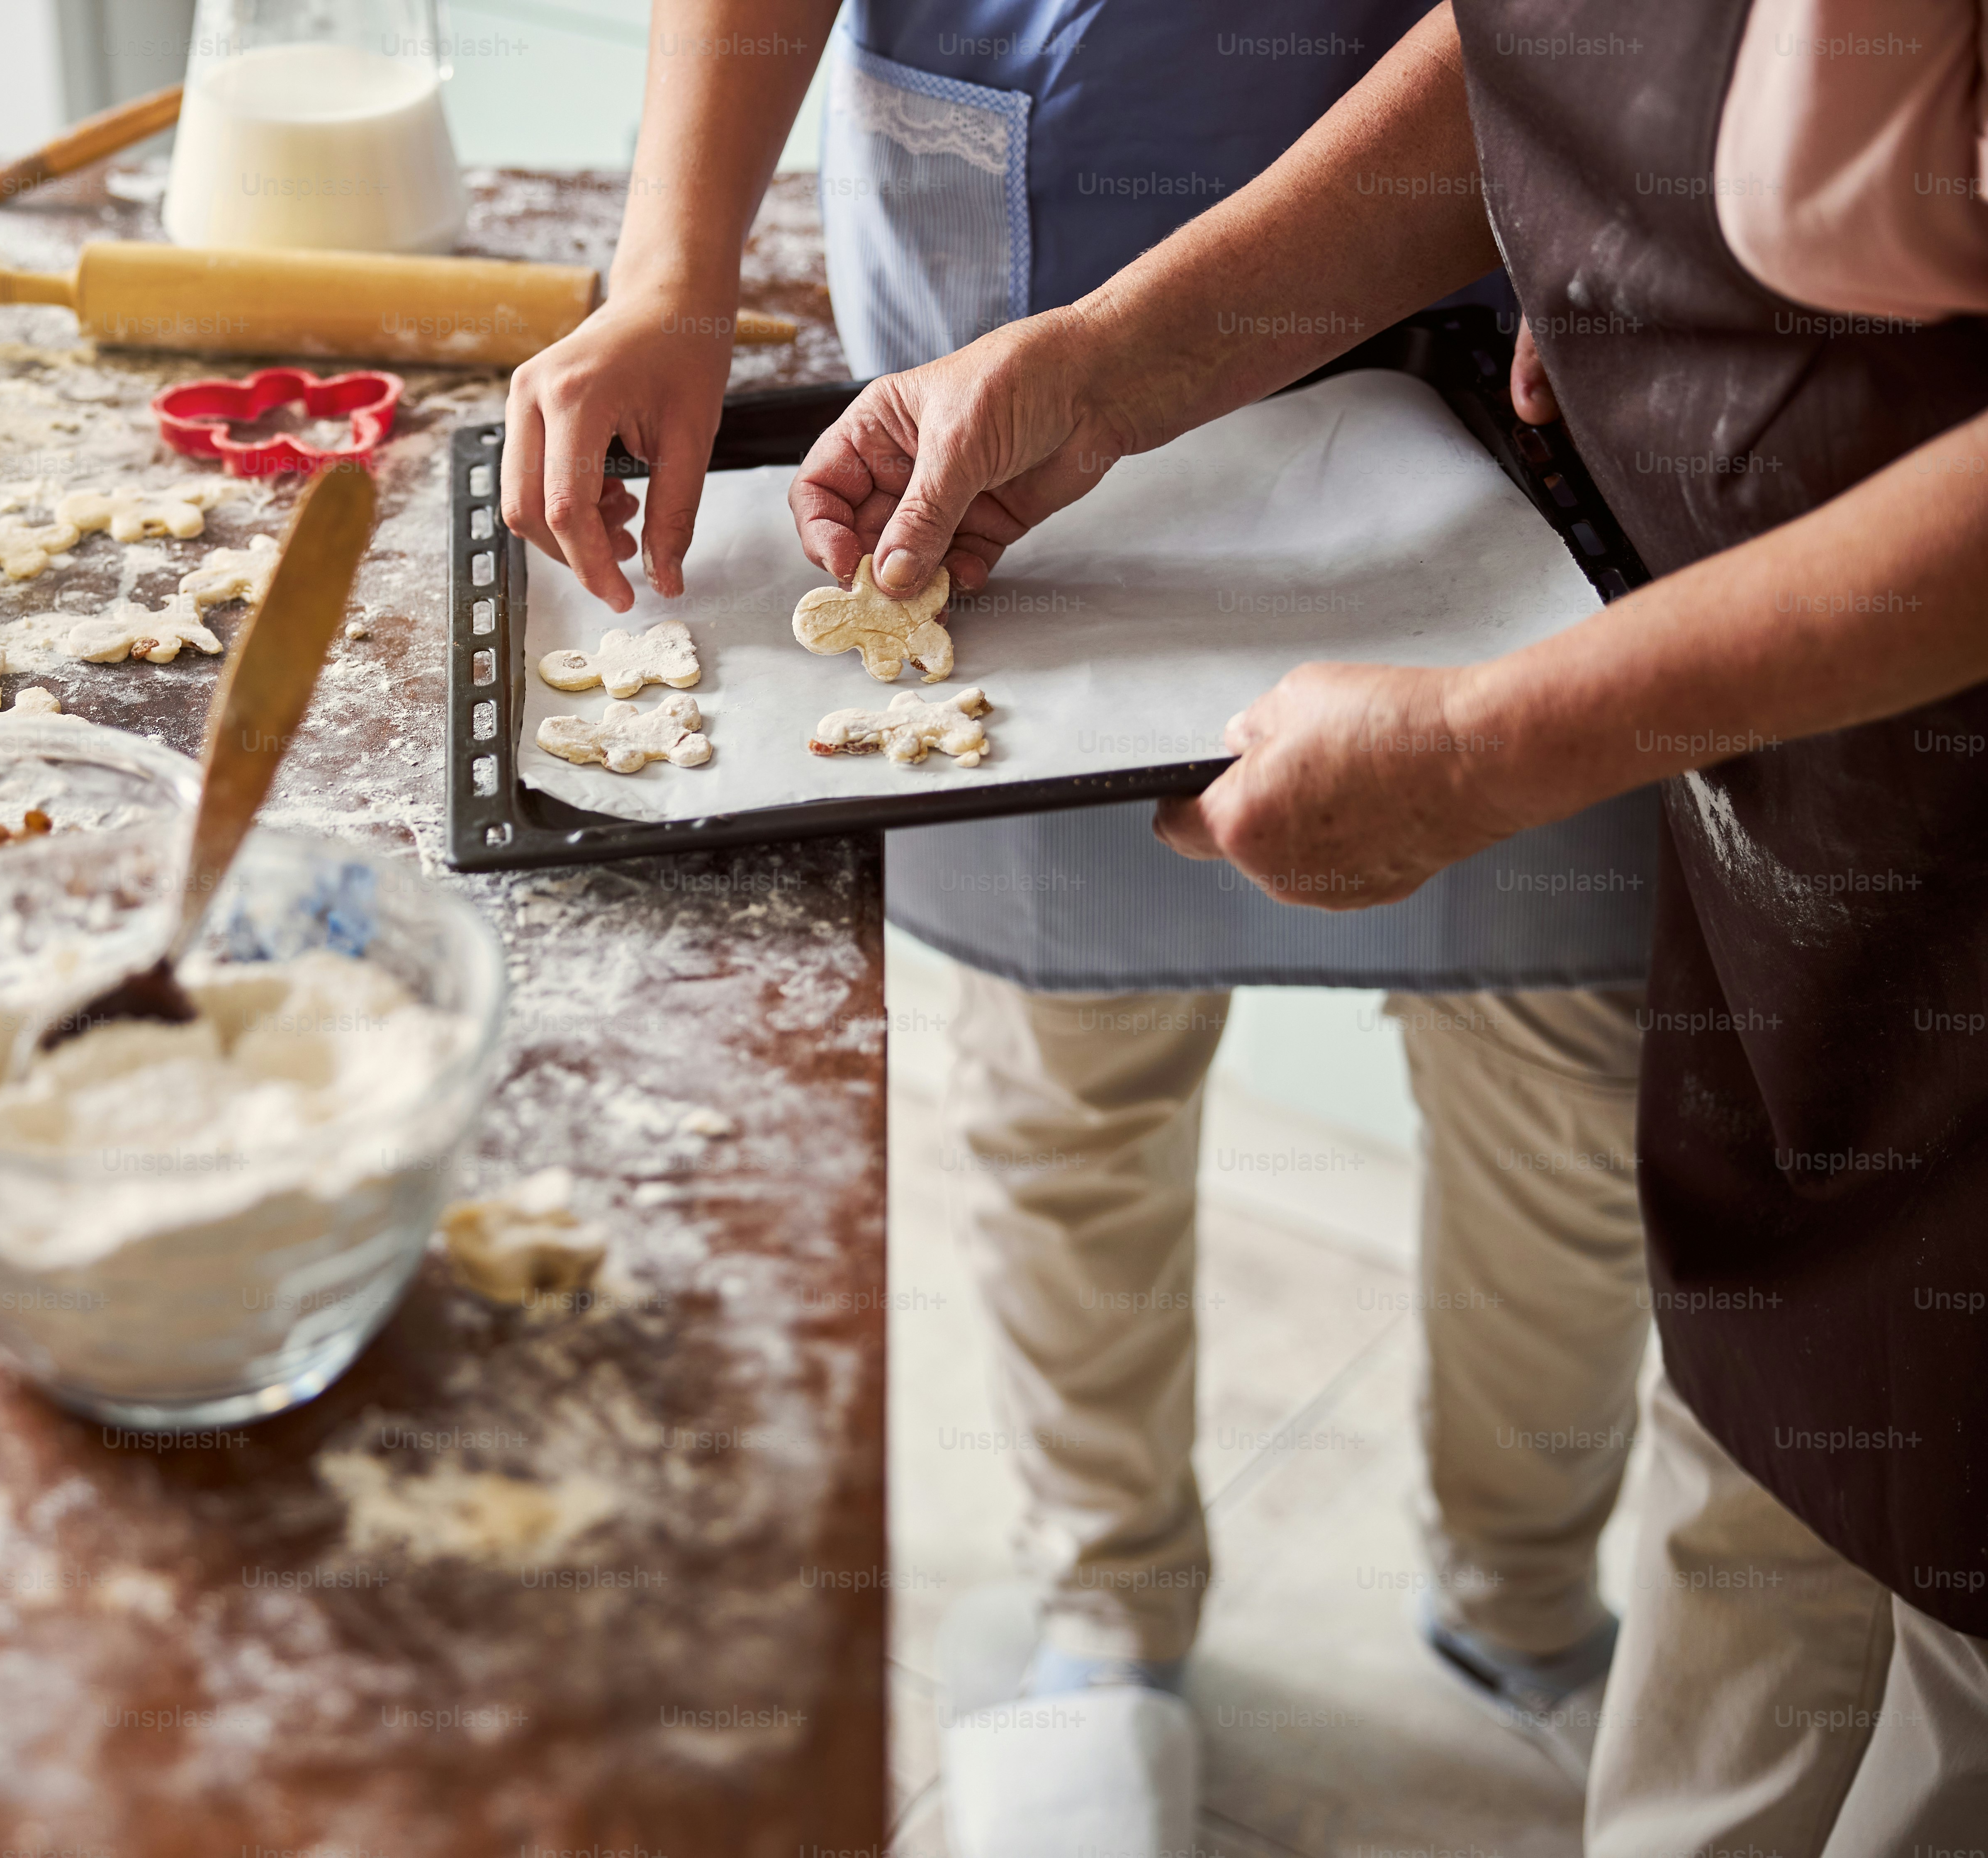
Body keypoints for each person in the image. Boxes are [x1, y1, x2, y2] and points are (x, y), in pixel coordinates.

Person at [784, 1, 1988, 1849]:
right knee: (1758, 1440)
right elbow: (1557, 50)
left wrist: (1504, 741)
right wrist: (1109, 367)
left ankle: (1519, 1588)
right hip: (1803, 821)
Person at [504, 2, 1651, 1850]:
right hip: (1009, 270)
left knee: (1568, 1093)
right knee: (1066, 1083)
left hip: (1489, 295)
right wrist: (671, 272)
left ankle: (1522, 1581)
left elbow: (1563, 31)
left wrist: (1129, 359)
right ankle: (1106, 1611)